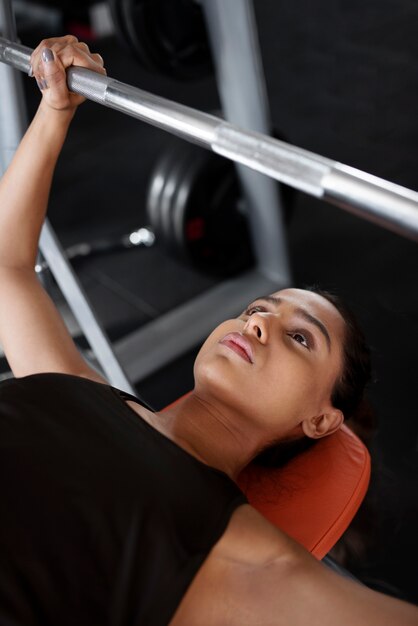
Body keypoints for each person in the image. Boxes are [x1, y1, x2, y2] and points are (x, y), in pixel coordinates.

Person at [0, 36, 416, 626]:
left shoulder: (237, 555)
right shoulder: (78, 388)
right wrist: (56, 108)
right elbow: (7, 265)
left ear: (322, 420)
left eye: (302, 337)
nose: (262, 321)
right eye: (259, 309)